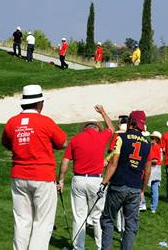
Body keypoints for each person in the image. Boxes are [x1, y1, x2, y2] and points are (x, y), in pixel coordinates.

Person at [1, 85, 67, 250]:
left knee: (22, 220)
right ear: (39, 103)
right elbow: (63, 142)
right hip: (42, 175)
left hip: (19, 174)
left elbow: (6, 142)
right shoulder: (45, 121)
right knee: (42, 222)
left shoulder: (12, 122)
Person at [58, 105, 114, 250]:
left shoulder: (75, 139)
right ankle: (101, 246)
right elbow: (112, 129)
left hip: (79, 180)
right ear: (97, 128)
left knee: (79, 216)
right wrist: (103, 112)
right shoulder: (101, 136)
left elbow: (65, 162)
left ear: (85, 128)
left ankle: (79, 248)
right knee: (97, 216)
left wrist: (61, 180)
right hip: (96, 180)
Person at [99, 111, 152, 250]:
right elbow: (147, 171)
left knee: (108, 219)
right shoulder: (148, 143)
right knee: (130, 226)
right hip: (135, 188)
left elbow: (113, 163)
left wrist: (104, 183)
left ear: (131, 122)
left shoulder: (121, 137)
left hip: (118, 184)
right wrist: (142, 190)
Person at [148, 131, 162, 213]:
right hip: (157, 168)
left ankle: (153, 207)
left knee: (154, 188)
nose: (151, 139)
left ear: (156, 139)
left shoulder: (155, 147)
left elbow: (155, 160)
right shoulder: (158, 146)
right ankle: (153, 207)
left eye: (153, 138)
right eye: (151, 138)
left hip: (154, 168)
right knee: (154, 188)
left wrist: (147, 160)